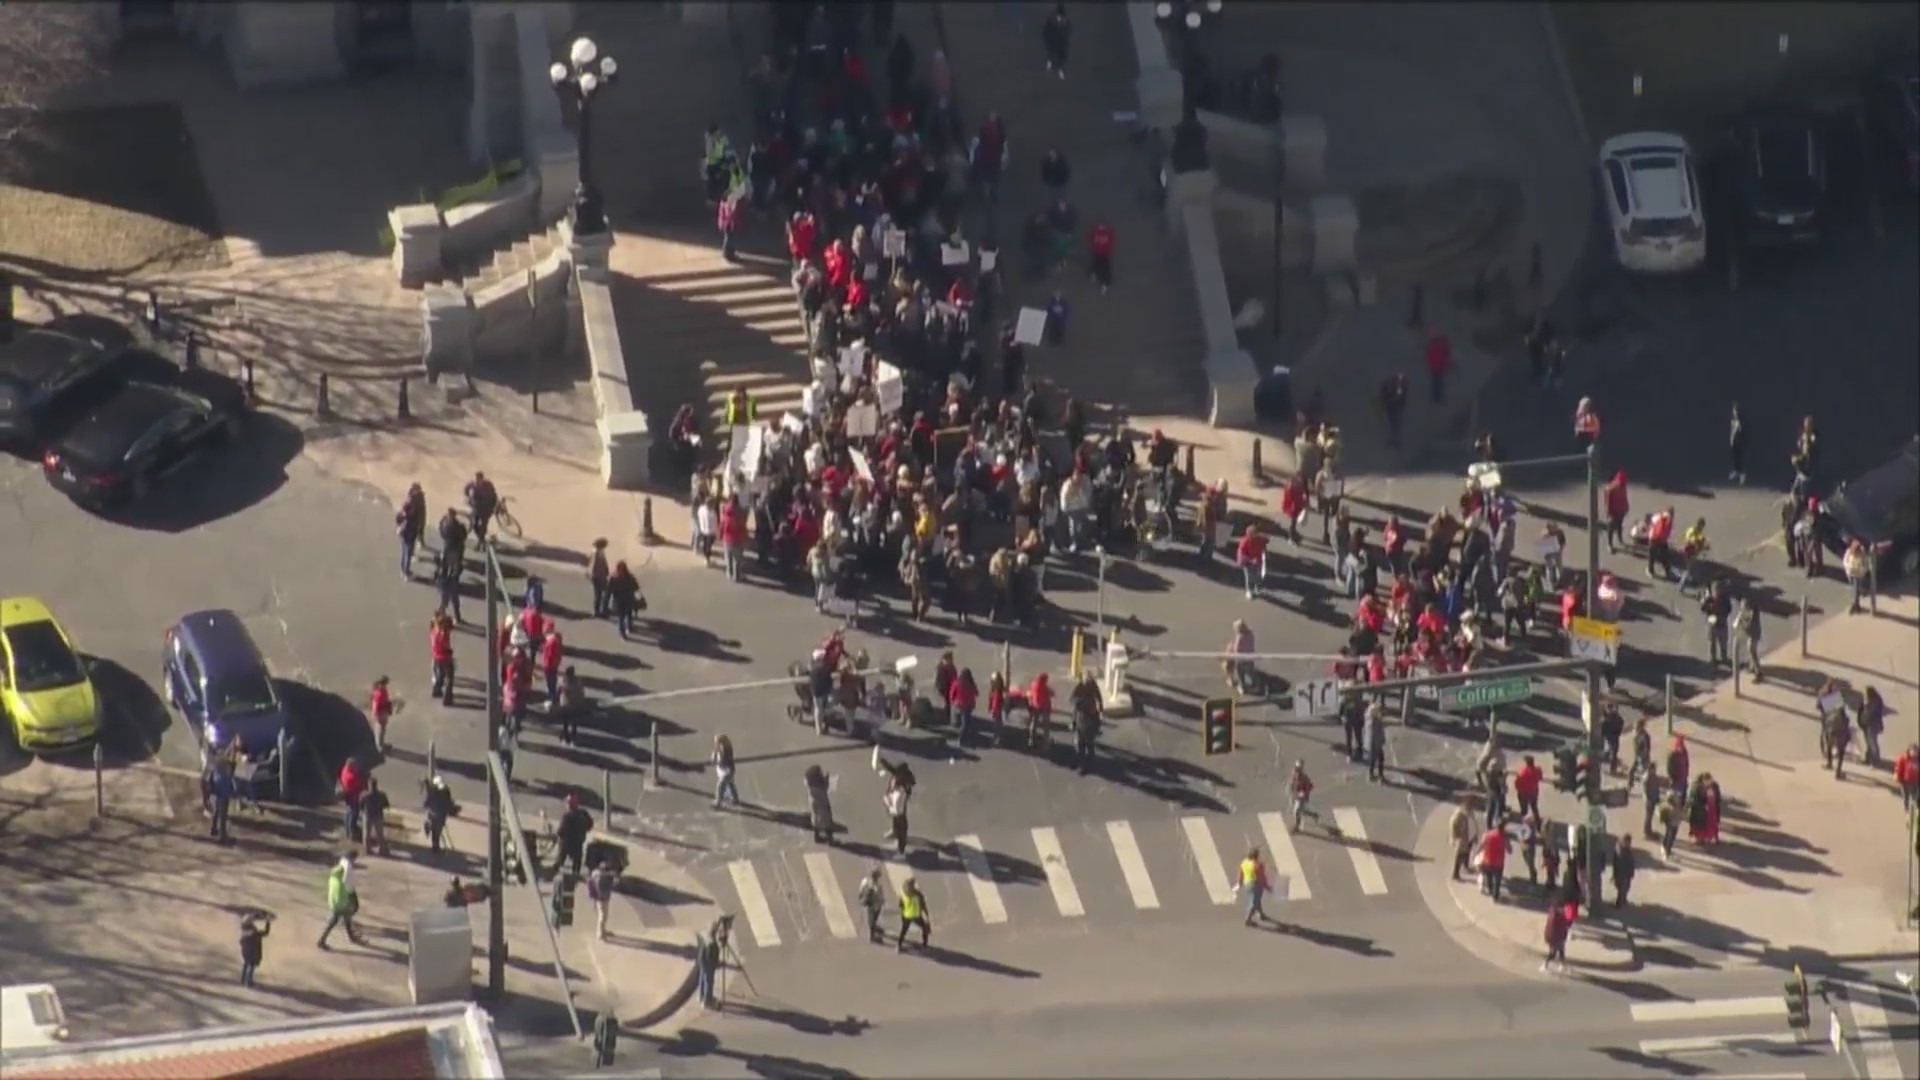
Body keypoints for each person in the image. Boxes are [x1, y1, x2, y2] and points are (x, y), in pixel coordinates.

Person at [317, 853, 365, 950]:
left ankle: (351, 937)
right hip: (341, 899)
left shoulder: (337, 871)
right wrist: (353, 899)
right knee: (335, 920)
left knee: (347, 916)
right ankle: (321, 941)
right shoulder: (347, 871)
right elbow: (349, 886)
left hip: (335, 898)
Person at [556, 793, 594, 878]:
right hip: (578, 842)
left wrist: (557, 835)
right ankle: (575, 874)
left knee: (561, 857)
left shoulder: (566, 816)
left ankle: (556, 869)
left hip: (566, 843)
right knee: (577, 860)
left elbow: (560, 831)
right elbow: (590, 824)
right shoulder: (583, 814)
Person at [396, 482, 426, 580]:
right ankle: (406, 572)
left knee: (404, 551)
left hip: (405, 531)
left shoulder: (408, 501)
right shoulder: (413, 503)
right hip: (409, 531)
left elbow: (399, 517)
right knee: (407, 552)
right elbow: (413, 516)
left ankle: (403, 570)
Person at [1237, 847, 1272, 928]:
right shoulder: (1258, 866)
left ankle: (1260, 914)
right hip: (1255, 885)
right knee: (1254, 902)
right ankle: (1248, 920)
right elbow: (1261, 878)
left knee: (1256, 899)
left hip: (1247, 884)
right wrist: (1267, 887)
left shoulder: (1244, 862)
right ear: (1256, 856)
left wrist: (1239, 882)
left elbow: (1240, 874)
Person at [609, 560, 643, 639]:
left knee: (622, 617)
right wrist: (639, 598)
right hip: (628, 600)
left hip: (619, 601)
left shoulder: (614, 578)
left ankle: (623, 632)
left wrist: (607, 601)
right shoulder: (630, 577)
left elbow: (609, 590)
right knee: (627, 615)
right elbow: (636, 588)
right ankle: (629, 628)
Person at [422, 774, 455, 855]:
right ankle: (435, 845)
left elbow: (428, 800)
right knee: (437, 830)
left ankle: (434, 844)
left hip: (434, 812)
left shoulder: (433, 790)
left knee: (435, 829)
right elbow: (448, 801)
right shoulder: (445, 790)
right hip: (441, 813)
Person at [1475, 822, 1508, 902]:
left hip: (1487, 860)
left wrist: (1477, 852)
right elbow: (1509, 849)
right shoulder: (1503, 837)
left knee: (1489, 876)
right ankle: (1495, 897)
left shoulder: (1487, 834)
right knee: (1497, 880)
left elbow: (1481, 845)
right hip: (1498, 863)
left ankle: (1490, 889)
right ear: (1503, 829)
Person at [897, 876, 932, 952]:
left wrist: (902, 913)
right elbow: (923, 905)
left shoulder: (903, 893)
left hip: (906, 915)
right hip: (916, 915)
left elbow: (900, 905)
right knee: (924, 928)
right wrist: (926, 915)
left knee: (903, 931)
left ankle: (898, 946)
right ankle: (925, 945)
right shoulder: (917, 894)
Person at [238, 911, 271, 988]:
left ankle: (243, 980)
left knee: (246, 964)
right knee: (251, 965)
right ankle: (248, 982)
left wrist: (260, 915)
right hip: (252, 950)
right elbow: (265, 933)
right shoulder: (252, 931)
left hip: (245, 950)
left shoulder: (244, 928)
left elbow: (250, 917)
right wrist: (268, 922)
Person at [589, 859, 620, 940]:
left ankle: (603, 930)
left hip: (599, 897)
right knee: (602, 916)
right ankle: (600, 934)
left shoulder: (595, 873)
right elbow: (611, 885)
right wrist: (612, 876)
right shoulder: (602, 877)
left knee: (603, 915)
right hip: (602, 898)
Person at [464, 471, 498, 542]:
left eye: (478, 478)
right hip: (480, 509)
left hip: (484, 509)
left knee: (482, 525)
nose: (478, 480)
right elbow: (466, 489)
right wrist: (468, 496)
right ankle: (481, 537)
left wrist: (493, 505)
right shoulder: (475, 484)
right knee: (477, 525)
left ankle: (481, 538)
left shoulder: (486, 485)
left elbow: (494, 495)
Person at [361, 777, 391, 856]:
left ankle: (367, 850)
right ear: (376, 785)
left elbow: (360, 804)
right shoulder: (382, 795)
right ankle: (382, 850)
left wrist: (364, 809)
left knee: (366, 834)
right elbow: (386, 805)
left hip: (368, 815)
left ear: (369, 785)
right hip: (378, 815)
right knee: (380, 834)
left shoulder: (364, 795)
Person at [805, 764, 835, 844]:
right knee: (827, 821)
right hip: (822, 804)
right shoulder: (820, 786)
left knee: (815, 820)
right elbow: (825, 788)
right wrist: (827, 779)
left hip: (813, 804)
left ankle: (817, 837)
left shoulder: (810, 785)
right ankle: (830, 840)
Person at [856, 867, 887, 944]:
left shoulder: (865, 881)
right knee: (872, 919)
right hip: (875, 905)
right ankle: (872, 937)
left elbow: (861, 890)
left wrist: (861, 898)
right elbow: (880, 896)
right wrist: (882, 902)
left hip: (868, 903)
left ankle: (873, 929)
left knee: (871, 918)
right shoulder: (877, 886)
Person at [1040, 3, 1071, 79]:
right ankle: (1050, 64)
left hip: (1061, 42)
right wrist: (1047, 39)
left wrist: (1066, 37)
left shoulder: (1066, 21)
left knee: (1062, 57)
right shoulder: (1051, 20)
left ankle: (1060, 71)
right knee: (1051, 55)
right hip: (1053, 41)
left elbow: (1069, 30)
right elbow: (1046, 30)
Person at [1288, 760, 1318, 832]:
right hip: (1296, 796)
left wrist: (1304, 793)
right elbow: (1292, 783)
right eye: (1296, 768)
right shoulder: (1294, 774)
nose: (1296, 770)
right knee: (1302, 810)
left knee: (1296, 811)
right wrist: (1290, 789)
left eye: (1298, 768)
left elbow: (1310, 786)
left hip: (1302, 798)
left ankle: (1297, 827)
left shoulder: (1304, 777)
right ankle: (1314, 815)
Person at [711, 734, 739, 809]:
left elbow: (722, 761)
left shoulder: (726, 750)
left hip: (726, 771)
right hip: (723, 770)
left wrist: (717, 754)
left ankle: (718, 802)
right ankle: (735, 799)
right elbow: (713, 759)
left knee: (721, 786)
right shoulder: (718, 749)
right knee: (730, 784)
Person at [369, 676, 395, 752]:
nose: (387, 685)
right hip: (381, 713)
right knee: (380, 730)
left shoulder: (381, 690)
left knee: (382, 729)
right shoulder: (379, 693)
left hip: (382, 712)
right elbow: (376, 706)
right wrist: (378, 714)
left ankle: (381, 744)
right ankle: (380, 746)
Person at [1611, 835, 1637, 907]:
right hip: (1621, 873)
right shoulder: (1620, 851)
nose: (1629, 844)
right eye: (1627, 842)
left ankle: (1622, 900)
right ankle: (1619, 903)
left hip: (1626, 873)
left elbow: (1631, 862)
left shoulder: (1627, 850)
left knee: (1625, 888)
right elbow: (1617, 862)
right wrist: (1615, 873)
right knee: (1622, 889)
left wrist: (1631, 872)